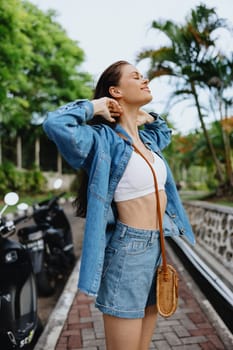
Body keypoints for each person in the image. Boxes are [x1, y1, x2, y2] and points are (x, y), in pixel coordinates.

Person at [43, 60, 195, 350]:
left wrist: (146, 117)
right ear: (116, 91)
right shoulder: (102, 141)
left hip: (158, 249)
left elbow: (165, 130)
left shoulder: (148, 140)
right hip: (128, 252)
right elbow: (54, 123)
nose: (145, 79)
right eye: (136, 76)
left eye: (143, 75)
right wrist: (97, 106)